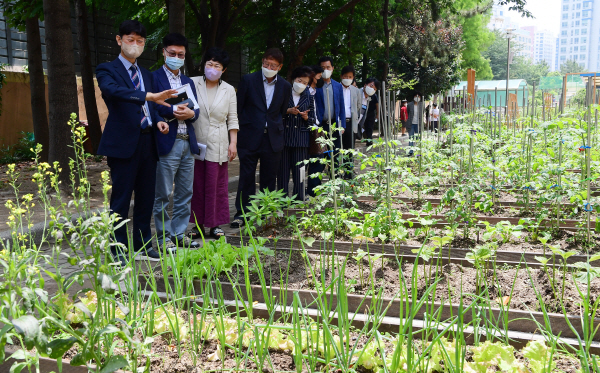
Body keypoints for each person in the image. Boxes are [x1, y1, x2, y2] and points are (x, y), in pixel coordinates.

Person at [96, 20, 177, 265]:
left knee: (146, 197)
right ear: (119, 40)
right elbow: (113, 92)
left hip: (148, 142)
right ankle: (118, 249)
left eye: (140, 41)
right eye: (130, 39)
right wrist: (146, 95)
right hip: (122, 143)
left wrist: (158, 120)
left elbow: (150, 106)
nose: (135, 45)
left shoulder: (146, 74)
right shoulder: (107, 69)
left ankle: (143, 244)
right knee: (120, 199)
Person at [231, 48, 292, 228]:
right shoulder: (248, 80)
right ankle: (242, 213)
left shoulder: (285, 86)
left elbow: (281, 112)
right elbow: (239, 107)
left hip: (272, 138)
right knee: (246, 176)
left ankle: (265, 212)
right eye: (266, 63)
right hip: (248, 136)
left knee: (268, 177)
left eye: (273, 65)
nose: (268, 67)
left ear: (279, 67)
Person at [151, 33, 200, 252]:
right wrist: (172, 109)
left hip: (187, 140)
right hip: (166, 141)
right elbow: (151, 106)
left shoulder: (188, 81)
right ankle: (163, 238)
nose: (176, 57)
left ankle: (179, 234)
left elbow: (196, 110)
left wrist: (190, 113)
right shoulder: (153, 78)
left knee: (184, 192)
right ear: (163, 52)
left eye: (180, 54)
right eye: (172, 53)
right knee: (162, 193)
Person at [189, 48, 239, 239]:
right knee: (197, 184)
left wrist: (233, 143)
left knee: (216, 185)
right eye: (209, 63)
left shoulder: (228, 90)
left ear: (223, 69)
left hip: (219, 142)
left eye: (217, 65)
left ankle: (215, 224)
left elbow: (232, 119)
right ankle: (197, 225)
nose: (212, 68)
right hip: (196, 140)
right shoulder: (192, 83)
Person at [306, 56, 345, 197]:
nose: (325, 70)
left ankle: (334, 188)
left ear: (333, 68)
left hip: (334, 126)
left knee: (334, 156)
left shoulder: (338, 86)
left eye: (328, 67)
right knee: (318, 158)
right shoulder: (317, 85)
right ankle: (313, 190)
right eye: (322, 68)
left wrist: (343, 125)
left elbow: (341, 107)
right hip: (319, 126)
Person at [277, 66, 315, 200]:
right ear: (294, 79)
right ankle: (282, 199)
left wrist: (306, 118)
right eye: (300, 80)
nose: (302, 84)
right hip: (284, 138)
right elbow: (274, 112)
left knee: (300, 172)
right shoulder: (283, 92)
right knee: (283, 172)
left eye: (305, 83)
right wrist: (287, 111)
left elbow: (313, 120)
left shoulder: (309, 97)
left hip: (301, 139)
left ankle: (299, 198)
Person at [306, 65, 326, 197]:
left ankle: (314, 190)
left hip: (318, 129)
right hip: (308, 129)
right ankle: (309, 191)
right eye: (318, 75)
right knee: (313, 160)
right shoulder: (305, 91)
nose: (319, 78)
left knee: (320, 160)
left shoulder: (316, 91)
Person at [340, 65, 361, 179]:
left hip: (350, 122)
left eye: (350, 77)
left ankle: (349, 173)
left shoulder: (356, 91)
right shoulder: (336, 87)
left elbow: (358, 106)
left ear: (353, 78)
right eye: (345, 76)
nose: (348, 78)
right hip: (338, 123)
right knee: (338, 149)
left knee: (349, 149)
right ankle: (338, 173)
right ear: (341, 76)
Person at [360, 78, 379, 145]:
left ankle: (369, 140)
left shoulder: (374, 95)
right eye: (371, 86)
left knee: (370, 127)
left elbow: (377, 104)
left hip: (371, 113)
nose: (372, 89)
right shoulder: (359, 94)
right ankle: (365, 138)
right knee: (363, 126)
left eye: (375, 89)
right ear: (365, 85)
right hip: (364, 112)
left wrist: (377, 114)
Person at [406, 92, 423, 156]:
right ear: (414, 97)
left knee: (418, 138)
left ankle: (418, 152)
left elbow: (422, 112)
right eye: (416, 96)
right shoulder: (410, 104)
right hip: (411, 124)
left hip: (418, 124)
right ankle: (410, 152)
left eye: (419, 96)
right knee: (411, 138)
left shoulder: (421, 104)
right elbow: (408, 112)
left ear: (420, 98)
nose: (417, 97)